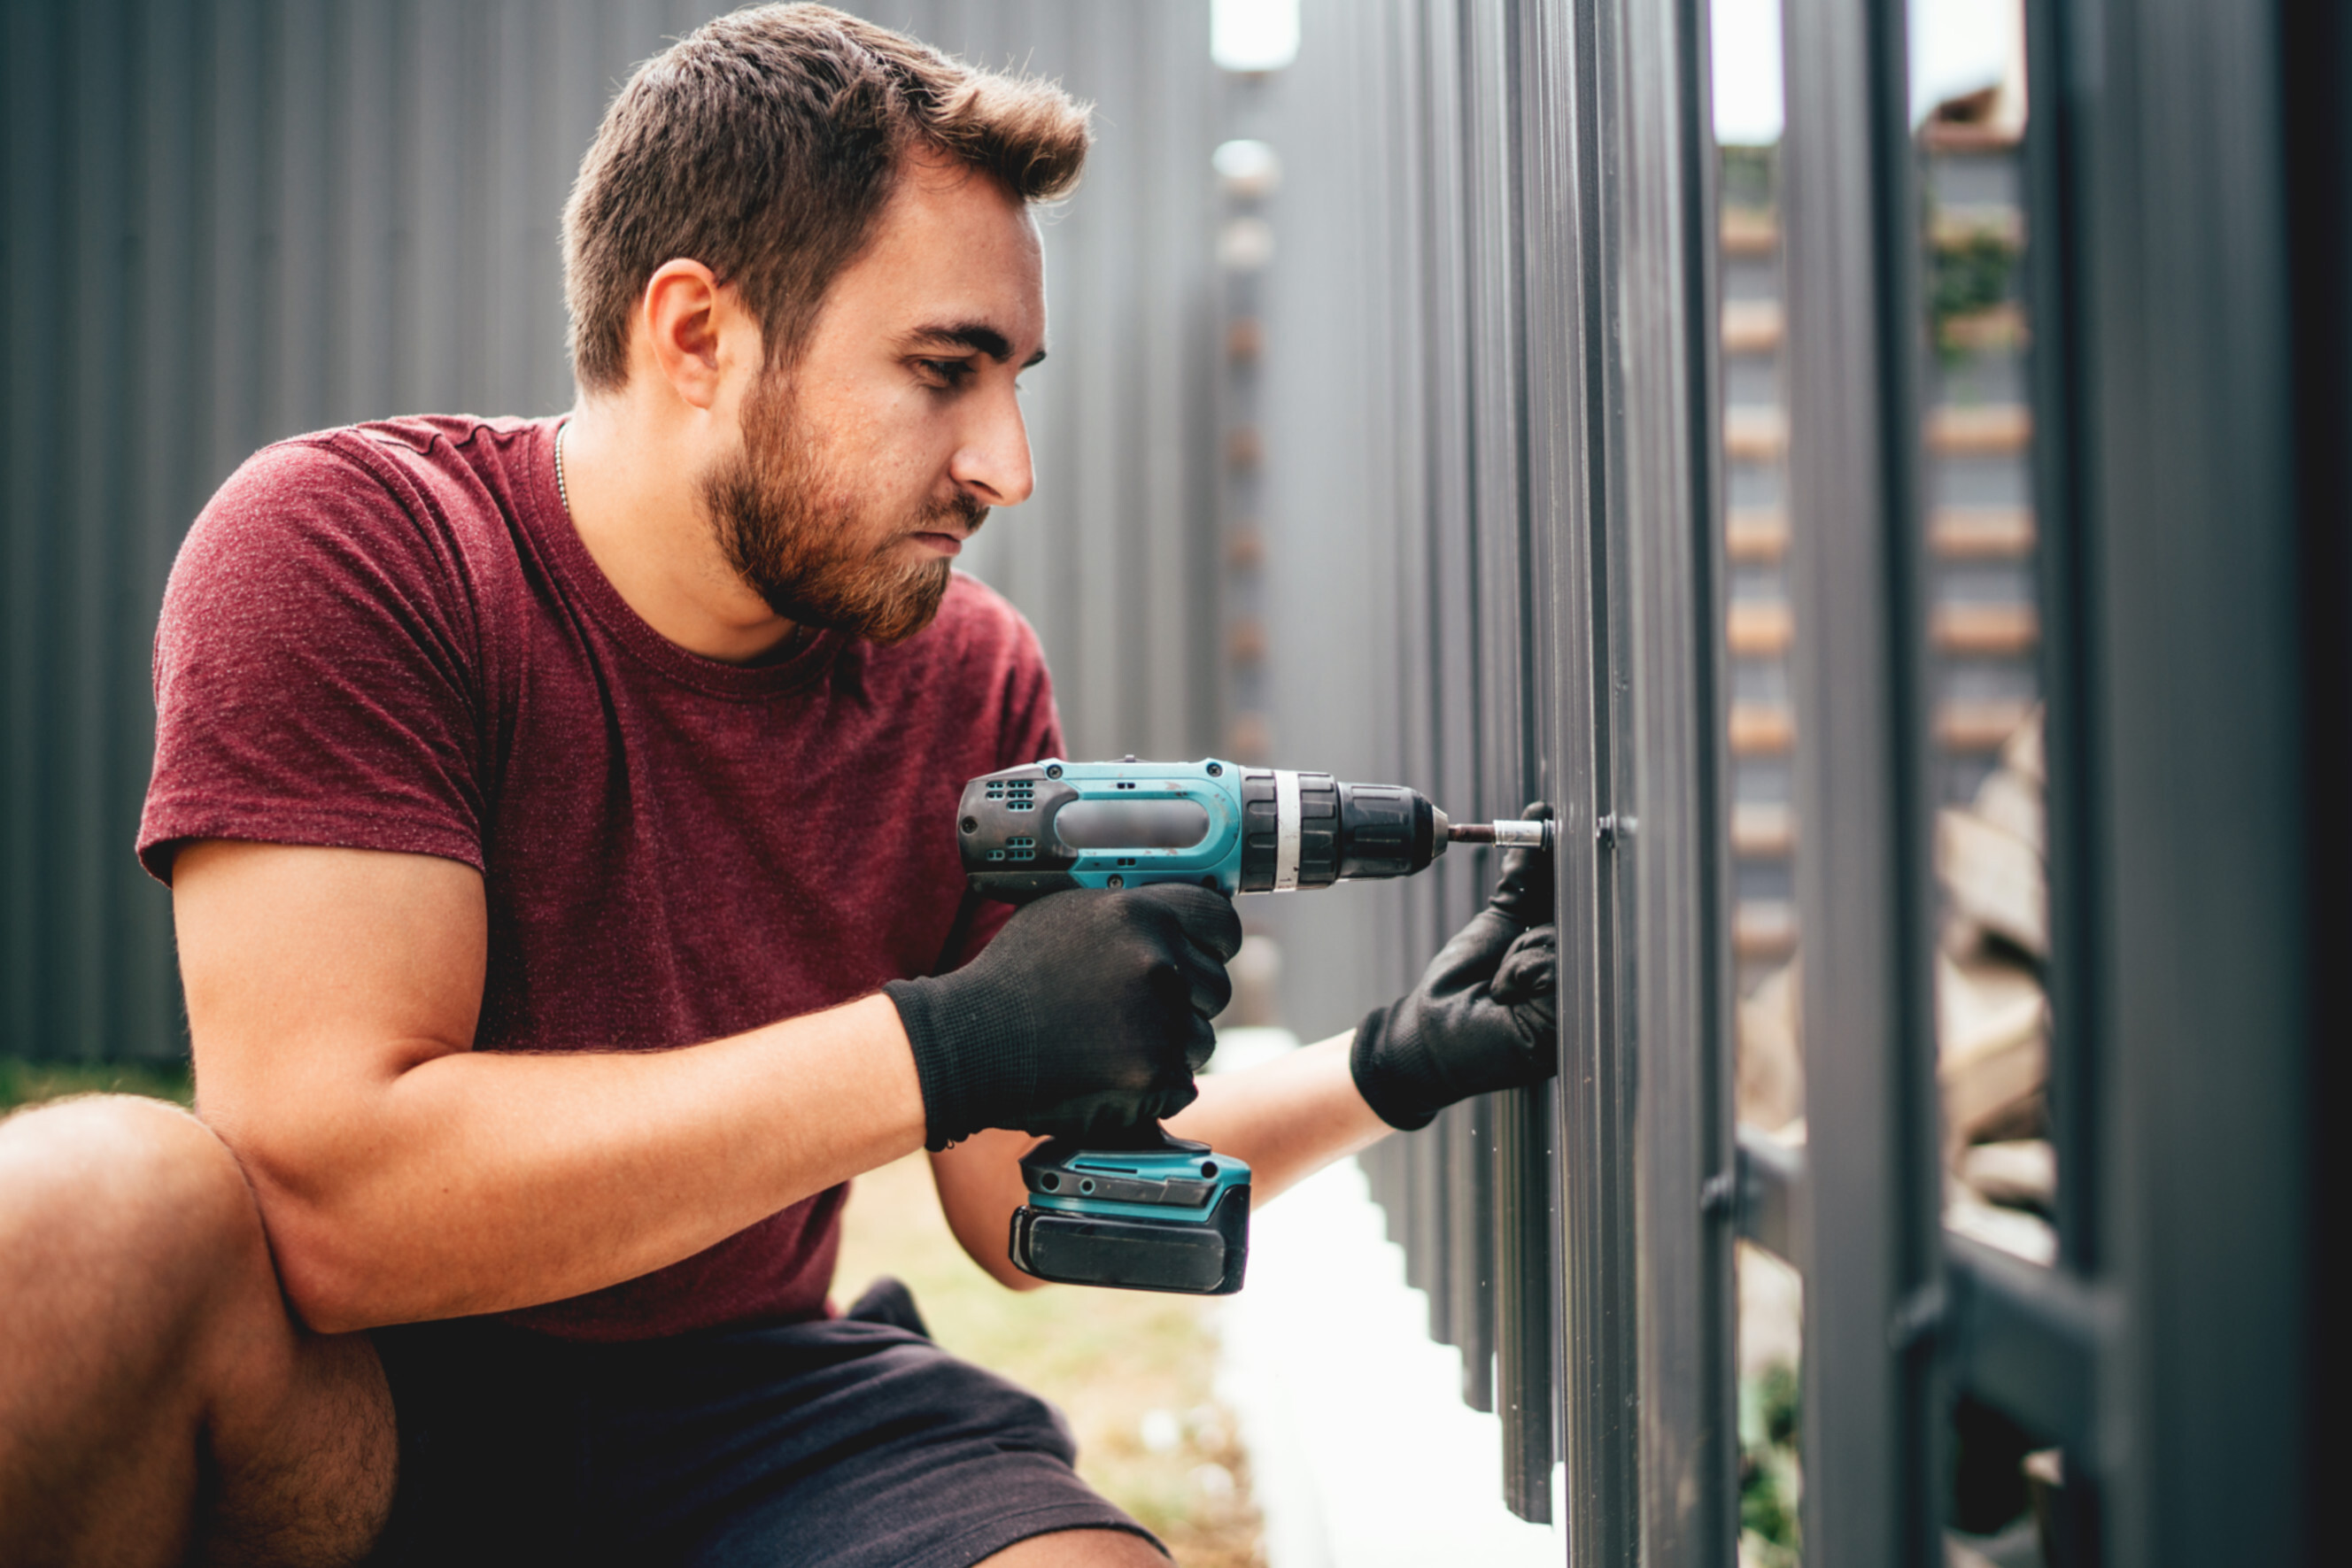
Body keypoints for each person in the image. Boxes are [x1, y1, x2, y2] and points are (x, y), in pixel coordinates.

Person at [0, 8, 1559, 1565]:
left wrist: (1388, 1064)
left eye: (1013, 378)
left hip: (756, 1412)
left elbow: (1014, 1198)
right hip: (376, 1402)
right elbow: (336, 1204)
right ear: (697, 335)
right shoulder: (361, 553)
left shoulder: (968, 675)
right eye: (945, 370)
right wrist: (944, 1040)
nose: (1006, 464)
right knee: (88, 1211)